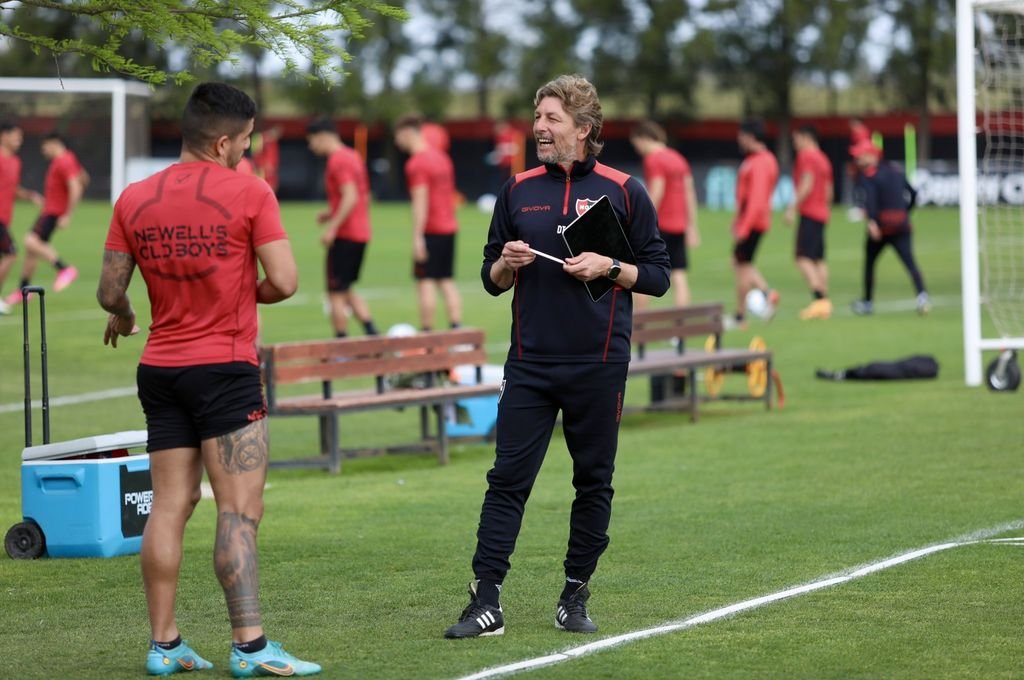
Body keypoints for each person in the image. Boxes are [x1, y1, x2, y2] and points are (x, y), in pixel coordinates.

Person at [96, 82, 320, 677]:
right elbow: (285, 281)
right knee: (238, 511)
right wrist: (241, 289)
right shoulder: (250, 191)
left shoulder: (133, 198)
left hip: (160, 369)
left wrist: (127, 315)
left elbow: (110, 291)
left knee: (169, 506)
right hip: (225, 370)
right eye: (245, 141)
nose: (247, 151)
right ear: (223, 142)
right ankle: (250, 647)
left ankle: (164, 644)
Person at [443, 74, 670, 639]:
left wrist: (609, 267)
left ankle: (574, 594)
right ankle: (485, 601)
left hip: (599, 365)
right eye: (537, 117)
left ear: (583, 128)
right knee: (506, 481)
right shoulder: (516, 190)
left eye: (551, 119)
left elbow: (658, 276)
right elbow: (491, 278)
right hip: (529, 365)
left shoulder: (625, 190)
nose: (539, 128)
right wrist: (507, 262)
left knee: (593, 482)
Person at [306, 117, 379, 338]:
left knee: (335, 294)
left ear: (323, 136)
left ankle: (341, 344)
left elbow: (351, 196)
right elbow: (361, 196)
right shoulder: (353, 155)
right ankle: (373, 335)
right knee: (345, 289)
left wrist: (333, 228)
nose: (311, 147)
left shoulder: (337, 160)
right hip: (360, 233)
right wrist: (330, 214)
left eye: (312, 141)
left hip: (346, 235)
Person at [393, 114, 463, 331]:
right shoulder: (442, 157)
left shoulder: (416, 163)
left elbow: (420, 202)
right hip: (449, 227)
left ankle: (427, 334)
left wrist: (417, 238)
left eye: (397, 136)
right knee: (446, 281)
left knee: (425, 282)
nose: (396, 142)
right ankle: (457, 330)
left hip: (431, 230)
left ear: (407, 133)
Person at [849, 140, 930, 316]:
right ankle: (922, 296)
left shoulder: (868, 175)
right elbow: (913, 193)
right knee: (910, 262)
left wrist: (872, 222)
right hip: (901, 224)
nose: (857, 159)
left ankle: (867, 302)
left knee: (870, 263)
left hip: (881, 227)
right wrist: (905, 213)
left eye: (860, 156)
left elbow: (871, 200)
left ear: (872, 156)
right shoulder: (896, 170)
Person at [6, 133, 86, 306]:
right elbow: (84, 178)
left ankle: (64, 268)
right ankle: (23, 290)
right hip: (50, 210)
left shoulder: (64, 161)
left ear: (54, 143)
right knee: (32, 251)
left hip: (53, 212)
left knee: (30, 241)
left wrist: (67, 214)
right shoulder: (68, 158)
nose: (44, 151)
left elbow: (76, 187)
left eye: (45, 147)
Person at [629, 120, 700, 308]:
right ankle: (680, 324)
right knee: (679, 275)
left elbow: (657, 191)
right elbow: (689, 192)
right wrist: (691, 226)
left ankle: (639, 321)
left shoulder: (653, 159)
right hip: (679, 226)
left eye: (636, 144)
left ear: (644, 138)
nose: (637, 149)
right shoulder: (678, 158)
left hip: (660, 226)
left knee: (641, 272)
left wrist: (643, 220)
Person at [729, 118, 780, 328]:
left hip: (753, 222)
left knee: (741, 267)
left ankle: (741, 317)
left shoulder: (760, 162)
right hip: (754, 220)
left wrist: (744, 227)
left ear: (750, 137)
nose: (739, 140)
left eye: (741, 137)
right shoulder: (760, 159)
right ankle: (767, 293)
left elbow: (757, 200)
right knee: (741, 263)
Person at [784, 124, 834, 320]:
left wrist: (792, 207)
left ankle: (819, 299)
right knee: (818, 259)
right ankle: (825, 303)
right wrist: (826, 209)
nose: (795, 143)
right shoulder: (823, 158)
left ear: (806, 137)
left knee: (802, 257)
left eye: (796, 138)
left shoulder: (806, 156)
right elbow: (829, 189)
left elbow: (807, 182)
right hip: (821, 213)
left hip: (810, 212)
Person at [0, 121, 43, 314]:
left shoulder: (15, 162)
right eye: (16, 136)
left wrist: (30, 196)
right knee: (11, 254)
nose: (20, 140)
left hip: (4, 218)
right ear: (4, 136)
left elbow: (13, 189)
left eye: (21, 137)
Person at [252, 124, 282, 193]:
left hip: (271, 170)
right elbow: (256, 154)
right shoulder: (259, 138)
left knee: (272, 188)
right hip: (262, 170)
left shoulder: (273, 142)